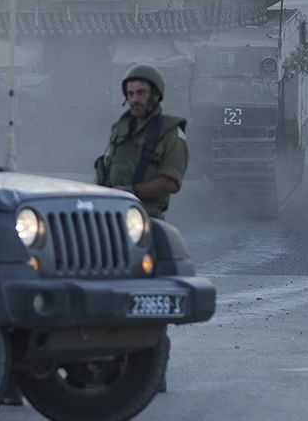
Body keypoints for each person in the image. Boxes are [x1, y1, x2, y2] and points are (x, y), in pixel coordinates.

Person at [96, 64, 189, 394]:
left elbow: (171, 181)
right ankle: (113, 365)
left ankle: (152, 369)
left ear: (155, 96)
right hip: (110, 225)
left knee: (148, 301)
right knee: (109, 297)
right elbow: (107, 167)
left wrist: (131, 192)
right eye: (130, 93)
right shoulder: (121, 127)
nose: (134, 99)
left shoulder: (171, 133)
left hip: (146, 225)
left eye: (141, 93)